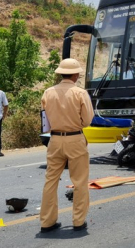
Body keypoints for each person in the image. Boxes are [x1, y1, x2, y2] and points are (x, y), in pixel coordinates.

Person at [40, 58, 94, 233]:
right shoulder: (80, 93)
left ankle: (47, 222)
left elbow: (44, 122)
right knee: (79, 182)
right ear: (76, 74)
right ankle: (78, 221)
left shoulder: (47, 93)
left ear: (61, 73)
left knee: (51, 181)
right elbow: (87, 121)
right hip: (75, 139)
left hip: (54, 140)